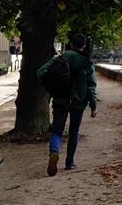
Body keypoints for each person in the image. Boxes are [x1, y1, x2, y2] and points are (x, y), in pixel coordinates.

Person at [37, 32, 98, 176]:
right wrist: (93, 106)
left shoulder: (61, 58)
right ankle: (69, 162)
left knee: (57, 131)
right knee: (74, 131)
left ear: (70, 44)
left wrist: (50, 82)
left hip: (60, 99)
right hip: (79, 102)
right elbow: (91, 86)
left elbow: (40, 72)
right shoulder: (86, 62)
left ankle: (54, 152)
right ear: (83, 46)